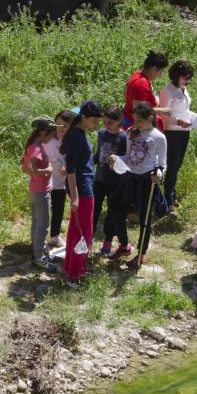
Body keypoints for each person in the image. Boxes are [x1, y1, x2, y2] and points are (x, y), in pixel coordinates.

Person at [119, 101, 168, 270]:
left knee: (145, 218)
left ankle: (141, 254)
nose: (136, 124)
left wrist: (159, 175)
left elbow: (162, 163)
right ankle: (123, 245)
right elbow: (128, 156)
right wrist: (116, 160)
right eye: (134, 120)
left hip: (146, 180)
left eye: (139, 121)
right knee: (118, 211)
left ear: (150, 118)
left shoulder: (159, 137)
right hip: (130, 178)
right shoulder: (131, 132)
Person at [61, 101, 104, 286]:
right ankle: (74, 275)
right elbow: (70, 169)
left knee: (76, 230)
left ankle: (73, 266)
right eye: (94, 121)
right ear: (84, 118)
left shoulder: (78, 132)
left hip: (85, 186)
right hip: (82, 190)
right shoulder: (76, 137)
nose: (97, 125)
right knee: (82, 232)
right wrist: (75, 196)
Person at [21, 116, 57, 271]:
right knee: (42, 225)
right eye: (51, 134)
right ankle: (39, 257)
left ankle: (37, 250)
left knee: (37, 222)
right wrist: (48, 170)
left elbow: (24, 167)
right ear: (43, 133)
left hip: (35, 190)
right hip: (41, 191)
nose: (52, 138)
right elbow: (29, 169)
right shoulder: (37, 150)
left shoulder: (32, 146)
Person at [94, 106, 130, 258]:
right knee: (94, 210)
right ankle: (87, 238)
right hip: (99, 179)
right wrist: (87, 163)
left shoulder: (124, 137)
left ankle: (108, 241)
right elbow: (98, 154)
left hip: (116, 181)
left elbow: (127, 159)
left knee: (111, 213)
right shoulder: (101, 133)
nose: (106, 124)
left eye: (110, 122)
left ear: (119, 121)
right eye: (105, 121)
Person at [158, 60, 194, 210]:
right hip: (172, 132)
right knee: (171, 166)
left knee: (177, 166)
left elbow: (185, 110)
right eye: (185, 77)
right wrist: (178, 122)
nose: (187, 81)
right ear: (176, 75)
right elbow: (164, 115)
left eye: (189, 78)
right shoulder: (167, 91)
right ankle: (167, 199)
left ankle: (171, 193)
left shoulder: (184, 89)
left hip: (184, 132)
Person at [43, 109, 73, 249]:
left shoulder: (71, 140)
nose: (60, 128)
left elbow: (73, 158)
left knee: (58, 209)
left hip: (61, 182)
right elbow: (45, 154)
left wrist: (66, 167)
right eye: (58, 124)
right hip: (45, 179)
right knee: (43, 209)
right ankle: (39, 237)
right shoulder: (48, 137)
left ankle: (54, 236)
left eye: (65, 126)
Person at [123, 51, 168, 128]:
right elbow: (139, 111)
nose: (160, 75)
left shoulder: (137, 74)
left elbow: (125, 94)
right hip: (136, 127)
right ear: (154, 69)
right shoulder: (142, 83)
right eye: (160, 72)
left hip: (128, 120)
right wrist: (162, 110)